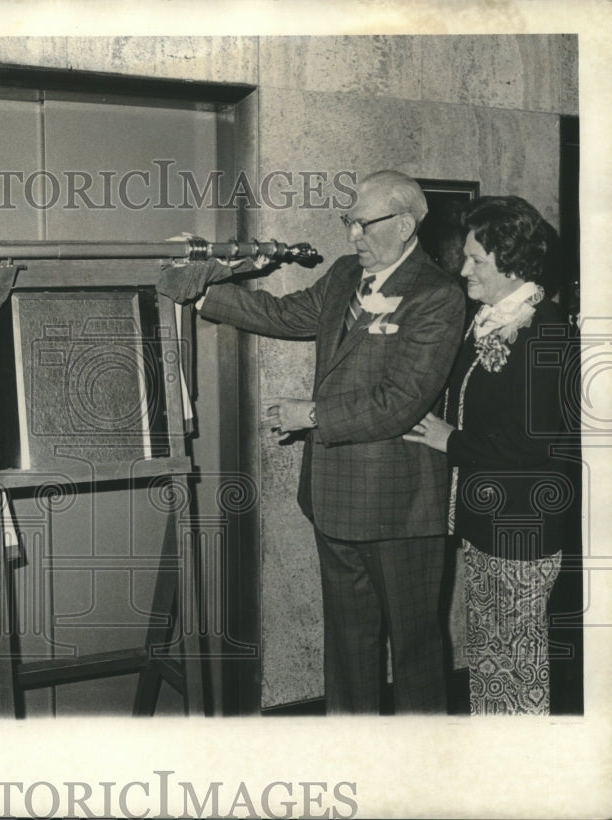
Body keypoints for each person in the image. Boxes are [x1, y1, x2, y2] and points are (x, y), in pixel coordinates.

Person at [157, 170, 465, 714]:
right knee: (348, 649)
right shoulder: (346, 275)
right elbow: (283, 313)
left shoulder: (438, 296)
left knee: (416, 653)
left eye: (363, 225)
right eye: (349, 223)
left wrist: (313, 414)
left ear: (405, 224)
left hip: (400, 508)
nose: (352, 237)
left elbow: (400, 401)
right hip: (333, 498)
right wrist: (203, 290)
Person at [403, 196, 571, 715]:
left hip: (522, 528)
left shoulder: (547, 330)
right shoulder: (489, 321)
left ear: (513, 262)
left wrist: (447, 439)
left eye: (476, 259)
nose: (463, 268)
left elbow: (534, 443)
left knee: (514, 663)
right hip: (485, 523)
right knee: (492, 658)